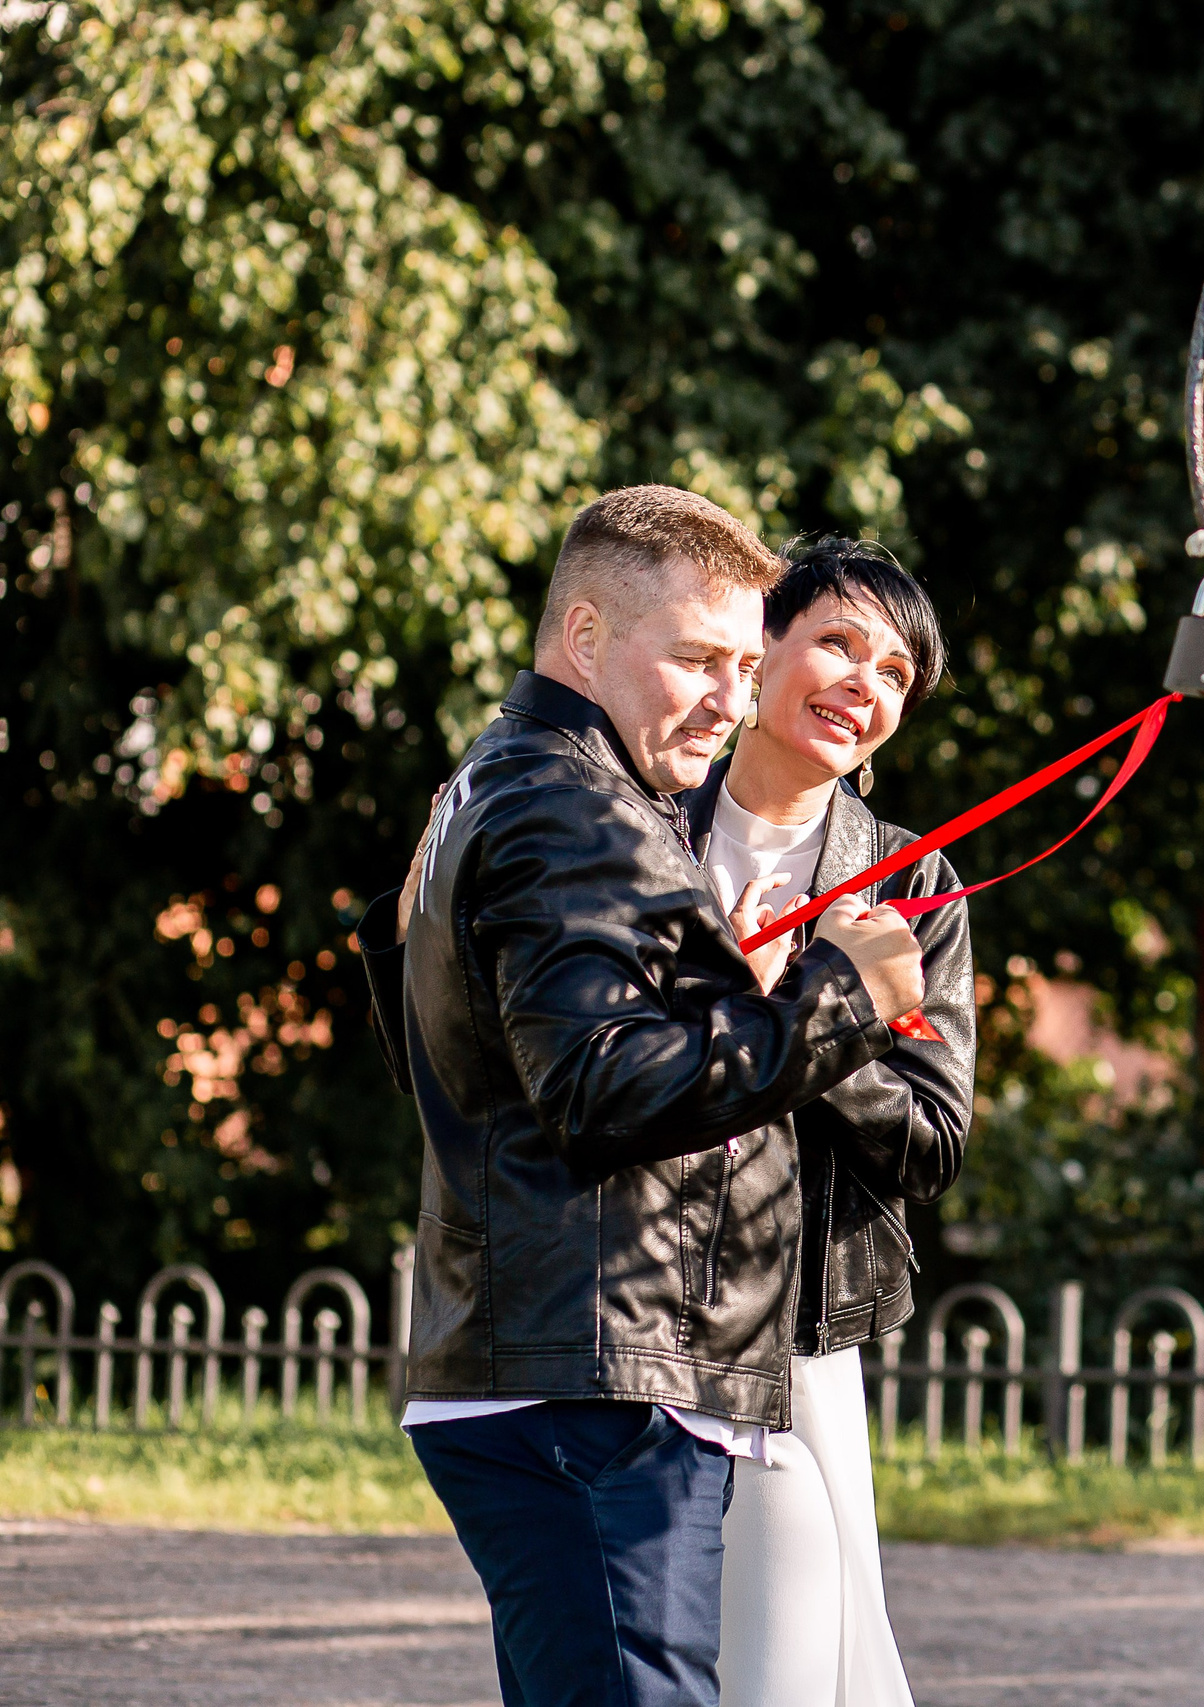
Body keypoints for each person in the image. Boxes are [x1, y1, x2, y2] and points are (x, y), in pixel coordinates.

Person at [356, 485, 927, 1707]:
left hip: (562, 1366)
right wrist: (840, 998)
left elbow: (467, 1061)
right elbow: (608, 1091)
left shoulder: (505, 780)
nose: (726, 697)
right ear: (583, 640)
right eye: (697, 659)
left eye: (737, 660)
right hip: (598, 1390)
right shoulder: (584, 810)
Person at [688, 536, 974, 1707]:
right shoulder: (642, 827)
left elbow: (932, 1138)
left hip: (804, 1327)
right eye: (839, 644)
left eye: (898, 673)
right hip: (634, 1303)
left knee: (818, 1650)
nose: (866, 683)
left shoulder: (913, 881)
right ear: (761, 650)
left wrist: (813, 1019)